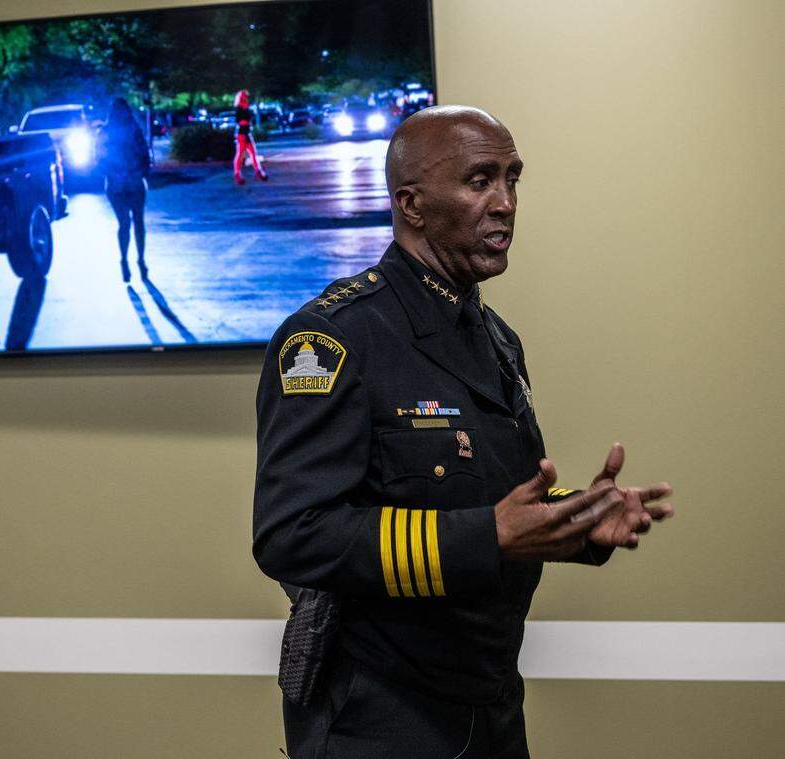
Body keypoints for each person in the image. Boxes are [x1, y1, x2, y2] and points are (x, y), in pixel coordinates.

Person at [252, 105, 674, 758]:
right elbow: (291, 533)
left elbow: (490, 502)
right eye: (480, 181)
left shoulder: (497, 340)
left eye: (512, 179)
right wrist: (490, 535)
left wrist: (578, 518)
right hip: (380, 718)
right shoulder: (333, 338)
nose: (505, 203)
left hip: (492, 706)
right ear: (412, 205)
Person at [98, 98, 150, 282]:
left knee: (127, 223)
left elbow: (100, 161)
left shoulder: (106, 132)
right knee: (134, 222)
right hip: (127, 181)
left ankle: (129, 260)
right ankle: (137, 260)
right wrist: (137, 171)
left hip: (120, 182)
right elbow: (145, 156)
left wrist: (118, 173)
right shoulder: (133, 130)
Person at [232, 89, 268, 185]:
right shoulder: (239, 108)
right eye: (245, 96)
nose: (246, 97)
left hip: (246, 132)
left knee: (252, 153)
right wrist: (245, 131)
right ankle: (237, 174)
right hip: (242, 133)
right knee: (240, 154)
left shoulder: (245, 107)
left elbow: (247, 121)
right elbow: (240, 121)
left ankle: (258, 171)